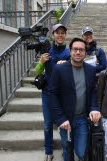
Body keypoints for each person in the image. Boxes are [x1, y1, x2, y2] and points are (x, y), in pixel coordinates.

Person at [49, 37, 101, 161]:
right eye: (75, 49)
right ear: (70, 51)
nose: (78, 52)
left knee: (81, 151)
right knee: (67, 149)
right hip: (65, 119)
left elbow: (93, 92)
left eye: (81, 50)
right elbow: (52, 95)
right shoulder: (59, 69)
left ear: (85, 52)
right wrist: (61, 119)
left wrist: (94, 108)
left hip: (82, 118)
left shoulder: (90, 70)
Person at [35, 23, 70, 161]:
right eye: (57, 32)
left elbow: (73, 72)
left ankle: (66, 151)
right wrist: (42, 62)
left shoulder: (69, 52)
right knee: (48, 124)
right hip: (48, 93)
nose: (60, 35)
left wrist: (66, 66)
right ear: (53, 35)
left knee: (63, 124)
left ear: (65, 35)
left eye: (63, 33)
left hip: (63, 94)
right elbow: (38, 71)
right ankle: (48, 151)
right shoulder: (47, 51)